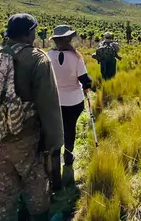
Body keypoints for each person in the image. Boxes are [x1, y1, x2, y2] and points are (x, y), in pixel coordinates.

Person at [0, 14, 63, 221]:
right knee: (36, 184)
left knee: (5, 189)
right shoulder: (37, 59)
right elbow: (48, 106)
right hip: (25, 136)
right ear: (29, 32)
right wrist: (55, 143)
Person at [46, 25, 93, 190]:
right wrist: (88, 85)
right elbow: (84, 79)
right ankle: (69, 154)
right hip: (74, 101)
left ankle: (55, 156)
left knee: (57, 128)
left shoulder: (47, 56)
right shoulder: (76, 57)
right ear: (69, 39)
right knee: (70, 127)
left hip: (54, 101)